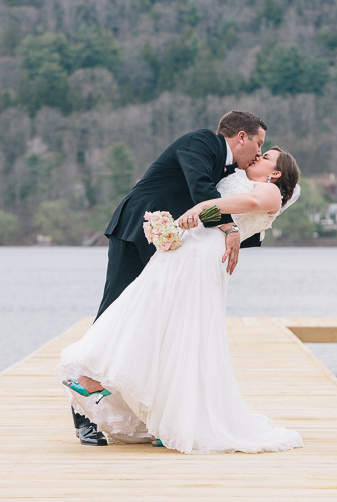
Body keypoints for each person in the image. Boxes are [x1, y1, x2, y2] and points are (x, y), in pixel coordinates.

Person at [57, 147, 303, 454]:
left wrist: (200, 208)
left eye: (267, 157)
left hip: (202, 260)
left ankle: (156, 408)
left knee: (183, 332)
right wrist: (187, 222)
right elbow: (220, 216)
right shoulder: (239, 180)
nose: (259, 156)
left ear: (276, 173)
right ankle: (143, 403)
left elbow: (246, 204)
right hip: (186, 249)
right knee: (147, 314)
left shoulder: (269, 193)